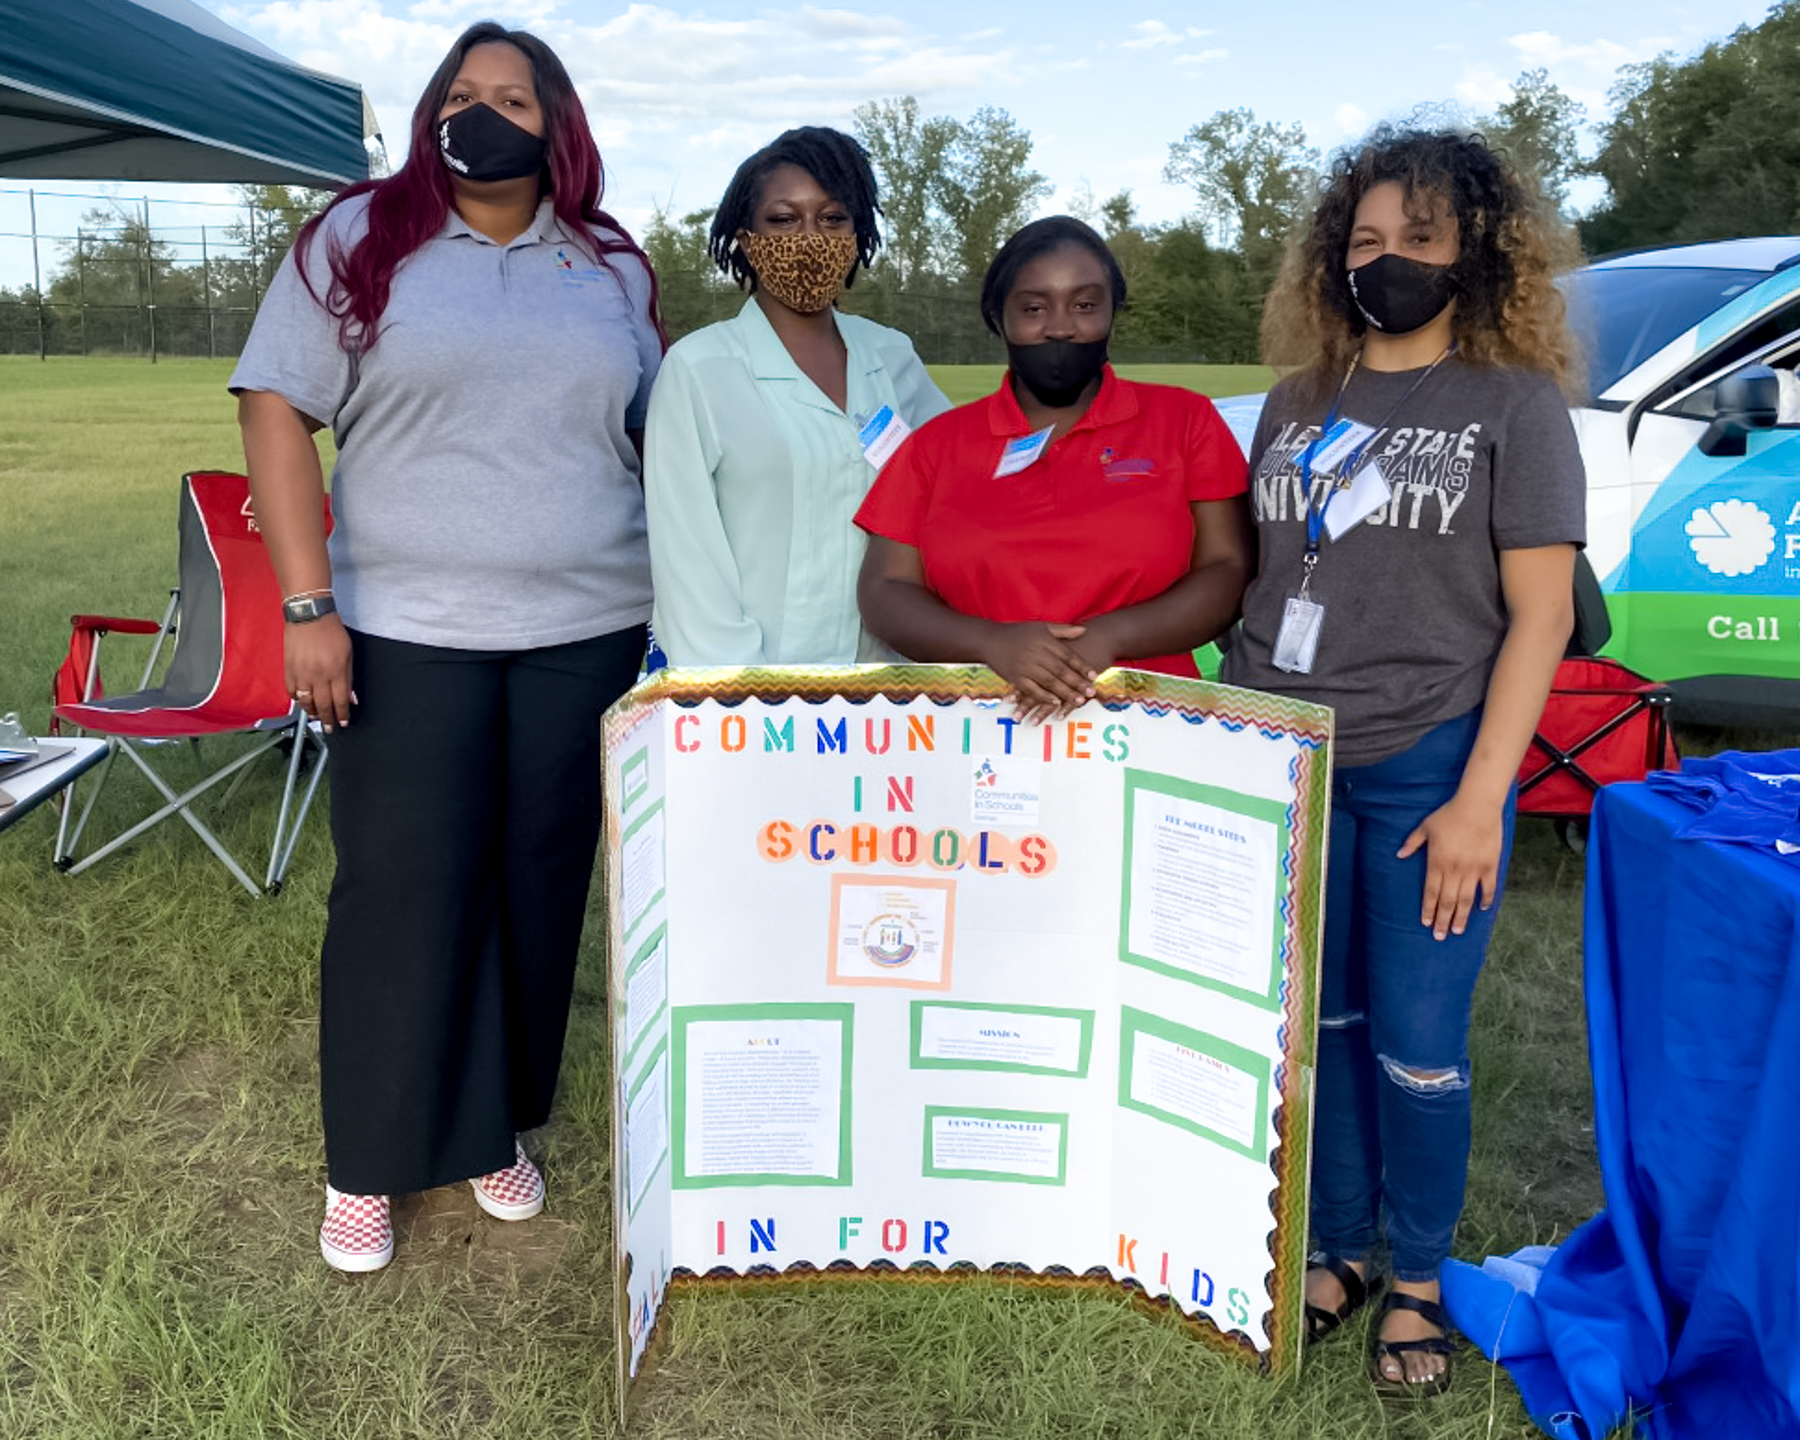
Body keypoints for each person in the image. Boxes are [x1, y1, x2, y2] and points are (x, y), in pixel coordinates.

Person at [229, 22, 664, 1273]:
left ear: (554, 123)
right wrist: (309, 610)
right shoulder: (357, 240)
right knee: (402, 889)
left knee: (535, 883)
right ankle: (365, 1159)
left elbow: (656, 435)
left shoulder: (611, 266)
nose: (482, 113)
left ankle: (490, 1131)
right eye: (460, 95)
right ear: (432, 117)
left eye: (510, 96)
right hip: (402, 632)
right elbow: (276, 410)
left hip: (584, 632)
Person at [1219, 128, 1585, 1393]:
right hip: (1284, 756)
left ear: (1474, 252)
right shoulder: (1297, 402)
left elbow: (1540, 614)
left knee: (1418, 1042)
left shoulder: (1513, 405)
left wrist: (1486, 797)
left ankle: (1417, 1274)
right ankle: (1337, 1246)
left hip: (1430, 763)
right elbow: (1269, 578)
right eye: (1366, 240)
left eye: (1418, 239)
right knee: (1318, 1026)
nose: (1389, 261)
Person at [854, 216, 1253, 718]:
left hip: (1153, 728)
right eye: (1034, 308)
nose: (1062, 326)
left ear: (1113, 310)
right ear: (998, 317)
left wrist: (1107, 639)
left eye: (1085, 305)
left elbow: (1229, 567)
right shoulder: (934, 447)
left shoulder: (1186, 421)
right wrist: (991, 642)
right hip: (973, 729)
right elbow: (884, 591)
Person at [644, 127, 949, 666]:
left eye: (833, 218)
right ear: (745, 236)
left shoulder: (892, 356)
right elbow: (688, 558)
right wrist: (743, 697)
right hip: (748, 700)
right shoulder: (699, 369)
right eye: (784, 219)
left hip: (888, 693)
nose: (810, 237)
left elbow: (958, 489)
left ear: (859, 232)